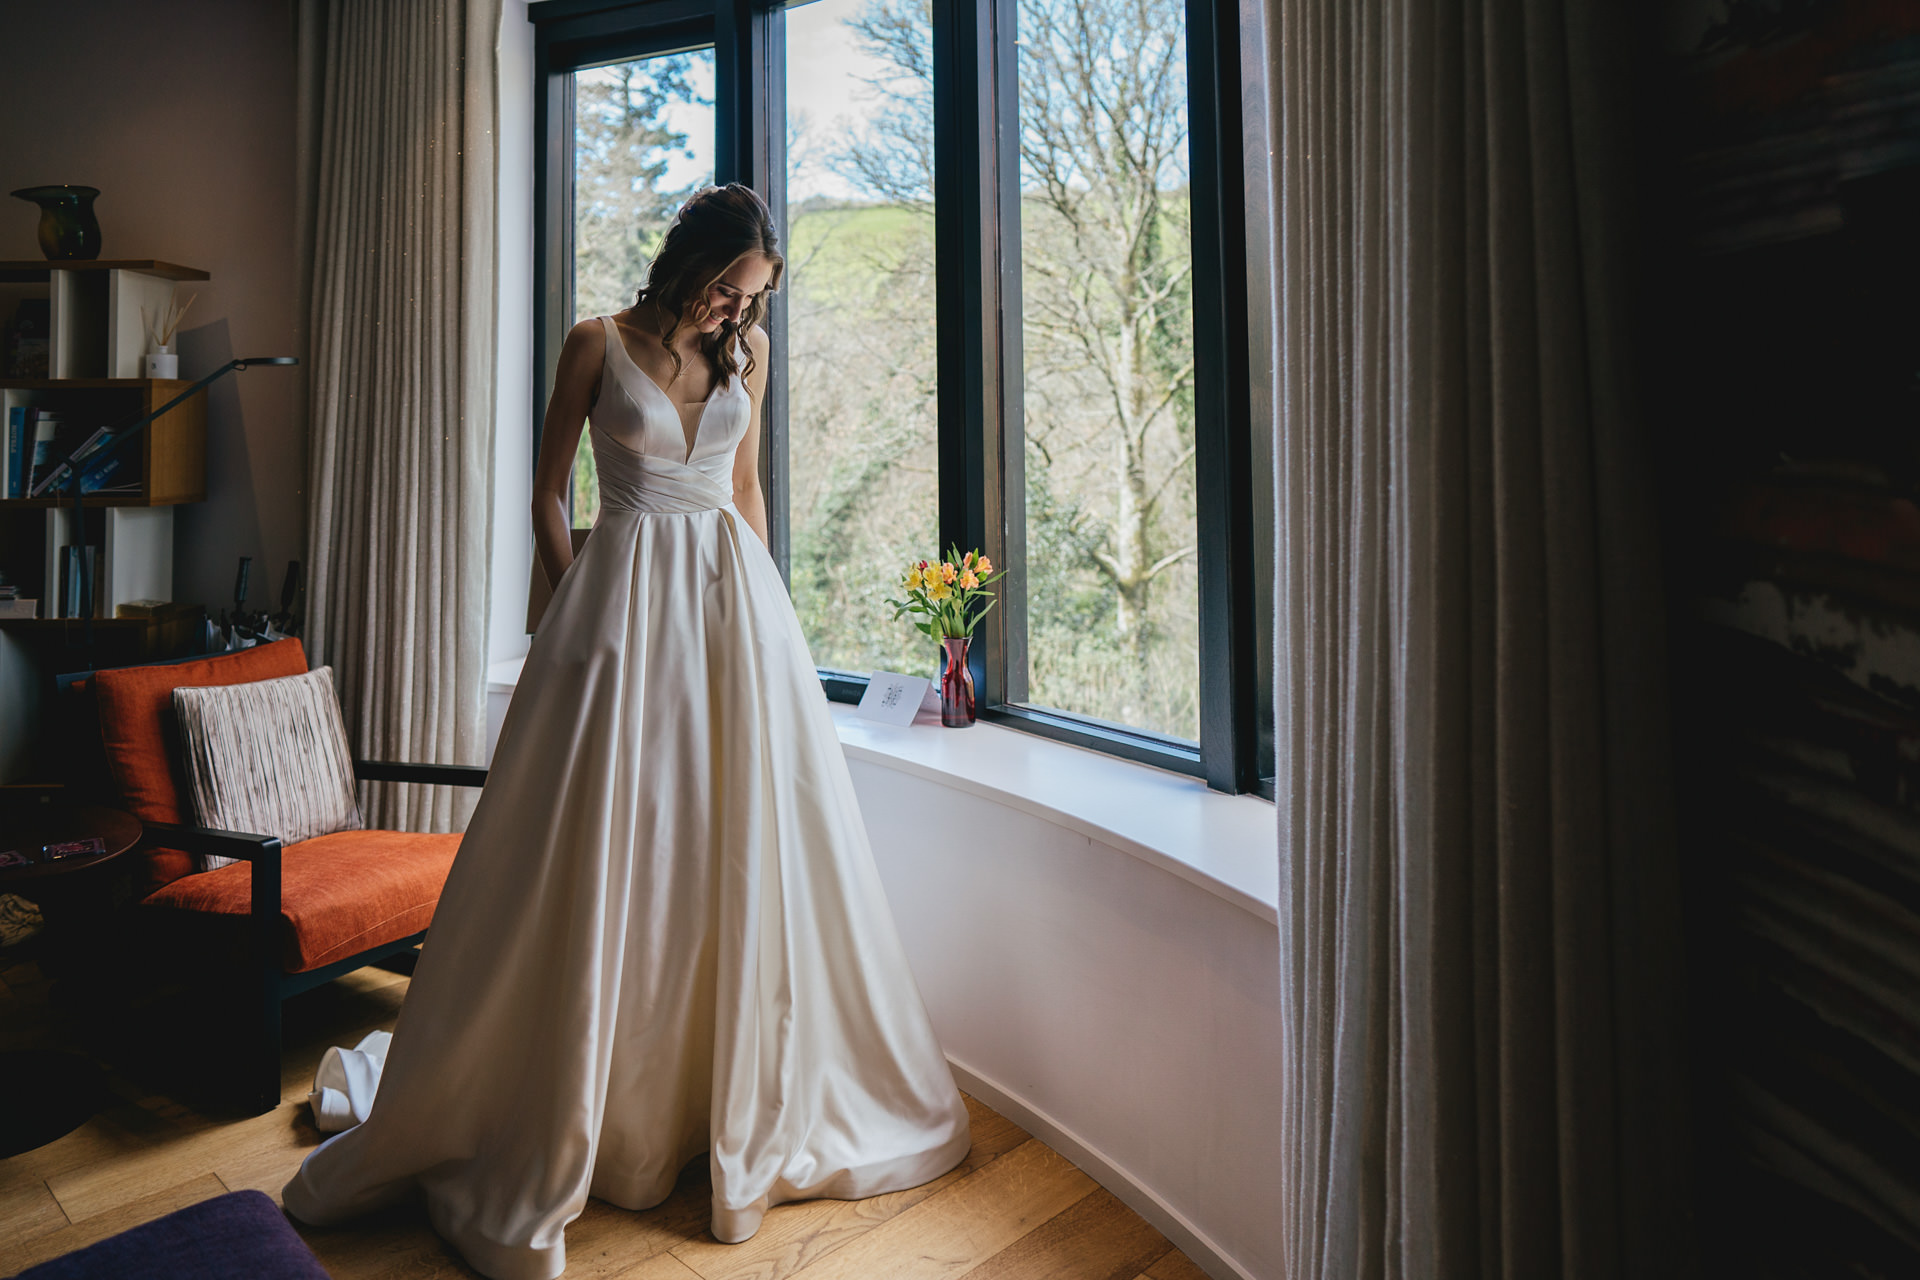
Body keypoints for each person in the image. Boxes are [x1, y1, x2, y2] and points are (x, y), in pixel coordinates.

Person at [282, 184, 972, 1280]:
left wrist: (771, 628)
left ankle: (708, 1094)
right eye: (727, 291)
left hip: (731, 618)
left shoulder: (745, 358)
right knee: (605, 850)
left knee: (729, 848)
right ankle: (571, 1101)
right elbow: (550, 493)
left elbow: (745, 493)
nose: (735, 316)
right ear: (691, 263)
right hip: (615, 614)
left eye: (751, 302)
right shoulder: (596, 341)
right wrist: (573, 610)